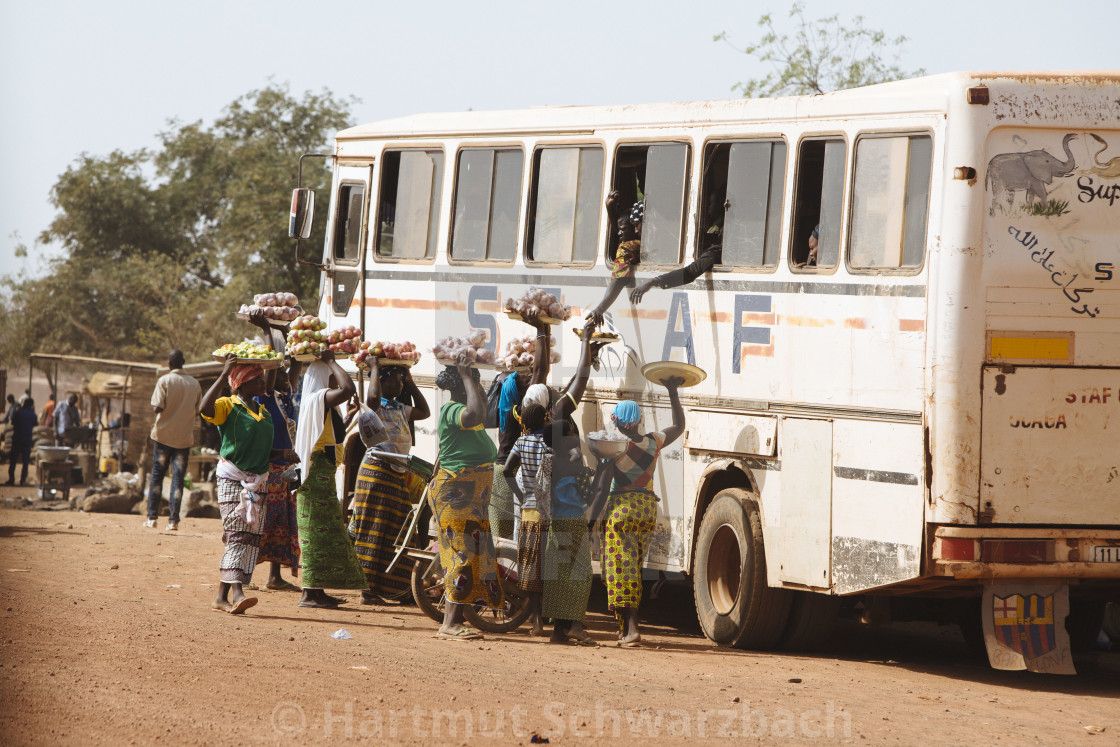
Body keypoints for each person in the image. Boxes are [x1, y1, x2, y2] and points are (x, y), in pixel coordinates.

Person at [588, 377, 686, 646]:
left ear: (617, 420)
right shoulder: (654, 441)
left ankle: (631, 629)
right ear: (639, 420)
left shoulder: (614, 447)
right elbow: (679, 425)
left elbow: (600, 491)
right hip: (646, 510)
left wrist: (589, 522)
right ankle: (623, 629)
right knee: (632, 568)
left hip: (621, 512)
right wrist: (673, 392)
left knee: (619, 571)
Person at [431, 355, 503, 639]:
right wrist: (465, 375)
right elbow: (475, 413)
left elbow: (481, 411)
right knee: (461, 555)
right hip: (456, 496)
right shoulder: (452, 410)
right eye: (472, 382)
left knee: (472, 556)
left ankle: (457, 619)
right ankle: (449, 624)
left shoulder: (468, 412)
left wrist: (473, 378)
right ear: (462, 385)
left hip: (471, 498)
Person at [350, 360, 431, 604]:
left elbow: (425, 412)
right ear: (382, 381)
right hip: (376, 472)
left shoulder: (399, 407)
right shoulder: (374, 407)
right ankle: (368, 590)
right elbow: (372, 397)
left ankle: (398, 589)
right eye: (394, 379)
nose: (399, 384)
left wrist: (412, 383)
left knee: (399, 529)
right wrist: (374, 367)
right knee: (374, 530)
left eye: (400, 380)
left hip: (396, 473)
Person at [200, 358, 275, 614]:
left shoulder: (262, 410)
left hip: (258, 482)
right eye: (257, 378)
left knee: (249, 538)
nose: (263, 382)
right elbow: (204, 408)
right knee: (236, 535)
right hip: (233, 479)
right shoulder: (228, 406)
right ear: (242, 383)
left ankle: (221, 597)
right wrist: (223, 375)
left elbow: (262, 448)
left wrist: (282, 456)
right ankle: (238, 592)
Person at [292, 353, 368, 608]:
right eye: (331, 376)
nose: (335, 381)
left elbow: (332, 436)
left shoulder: (320, 403)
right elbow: (349, 388)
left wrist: (350, 416)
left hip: (323, 472)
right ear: (323, 377)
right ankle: (309, 593)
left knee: (322, 534)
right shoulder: (318, 397)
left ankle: (316, 590)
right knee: (314, 534)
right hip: (317, 475)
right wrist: (332, 361)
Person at [247, 312, 302, 591]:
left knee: (280, 525)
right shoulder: (265, 396)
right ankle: (242, 575)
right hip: (268, 469)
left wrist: (295, 336)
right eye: (280, 372)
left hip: (284, 471)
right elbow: (272, 367)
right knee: (260, 525)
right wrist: (269, 330)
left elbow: (295, 366)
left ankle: (274, 577)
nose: (285, 375)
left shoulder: (285, 396)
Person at [540, 418, 596, 645]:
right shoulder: (575, 467)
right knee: (582, 573)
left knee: (559, 576)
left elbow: (540, 493)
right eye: (572, 433)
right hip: (573, 522)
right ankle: (575, 625)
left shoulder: (547, 462)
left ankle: (557, 631)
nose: (576, 436)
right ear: (564, 441)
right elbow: (588, 496)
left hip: (555, 524)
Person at [503, 402, 550, 636]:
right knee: (550, 567)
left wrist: (522, 496)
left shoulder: (521, 442)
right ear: (544, 420)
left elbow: (506, 470)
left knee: (531, 568)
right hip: (550, 513)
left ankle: (537, 622)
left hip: (529, 512)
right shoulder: (550, 443)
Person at [143, 350, 202, 531]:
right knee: (178, 478)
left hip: (163, 437)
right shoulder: (195, 384)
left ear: (169, 363)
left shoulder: (164, 381)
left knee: (157, 476)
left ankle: (152, 518)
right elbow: (198, 409)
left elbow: (157, 407)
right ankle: (173, 521)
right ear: (183, 362)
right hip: (183, 439)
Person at [586, 191, 643, 326]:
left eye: (636, 226)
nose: (618, 234)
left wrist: (599, 309)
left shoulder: (628, 248)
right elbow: (623, 227)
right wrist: (610, 209)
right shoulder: (644, 243)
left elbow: (620, 278)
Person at [5, 398, 37, 487]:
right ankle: (23, 480)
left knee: (13, 460)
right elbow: (35, 424)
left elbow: (13, 422)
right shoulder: (33, 414)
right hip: (27, 440)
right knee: (25, 461)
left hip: (17, 439)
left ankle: (11, 479)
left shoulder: (18, 412)